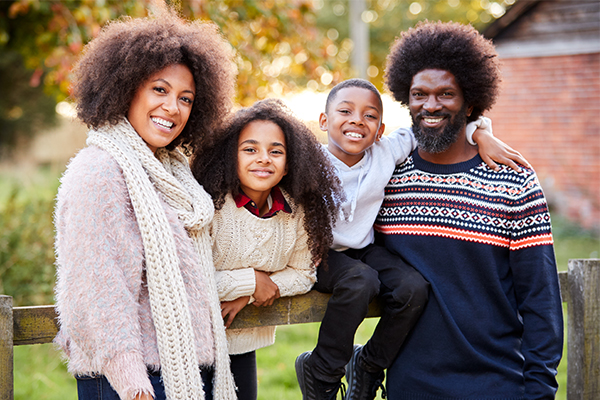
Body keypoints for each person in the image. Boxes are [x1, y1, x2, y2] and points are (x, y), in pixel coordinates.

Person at [294, 78, 531, 400]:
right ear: (324, 121)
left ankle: (368, 364)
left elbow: (440, 124)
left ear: (380, 129)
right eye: (345, 111)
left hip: (362, 250)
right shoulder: (307, 162)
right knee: (360, 282)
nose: (356, 120)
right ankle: (322, 370)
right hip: (318, 254)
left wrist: (482, 134)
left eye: (370, 115)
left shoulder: (386, 151)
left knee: (413, 287)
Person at [53, 12, 238, 400]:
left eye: (185, 98)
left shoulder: (174, 174)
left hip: (186, 370)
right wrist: (131, 382)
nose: (173, 107)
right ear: (125, 88)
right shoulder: (100, 170)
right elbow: (96, 288)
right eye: (159, 90)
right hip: (131, 381)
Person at [375, 21, 563, 399]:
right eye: (419, 94)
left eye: (446, 94)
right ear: (405, 98)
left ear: (471, 101)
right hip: (410, 387)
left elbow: (540, 300)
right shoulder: (387, 180)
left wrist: (540, 390)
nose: (430, 105)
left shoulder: (514, 182)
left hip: (496, 384)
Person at [191, 98, 343, 400]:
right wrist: (252, 281)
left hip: (243, 345)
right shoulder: (209, 207)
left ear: (290, 164)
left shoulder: (295, 212)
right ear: (230, 157)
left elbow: (303, 275)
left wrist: (248, 294)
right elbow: (193, 282)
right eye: (250, 149)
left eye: (276, 151)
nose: (264, 159)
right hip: (190, 348)